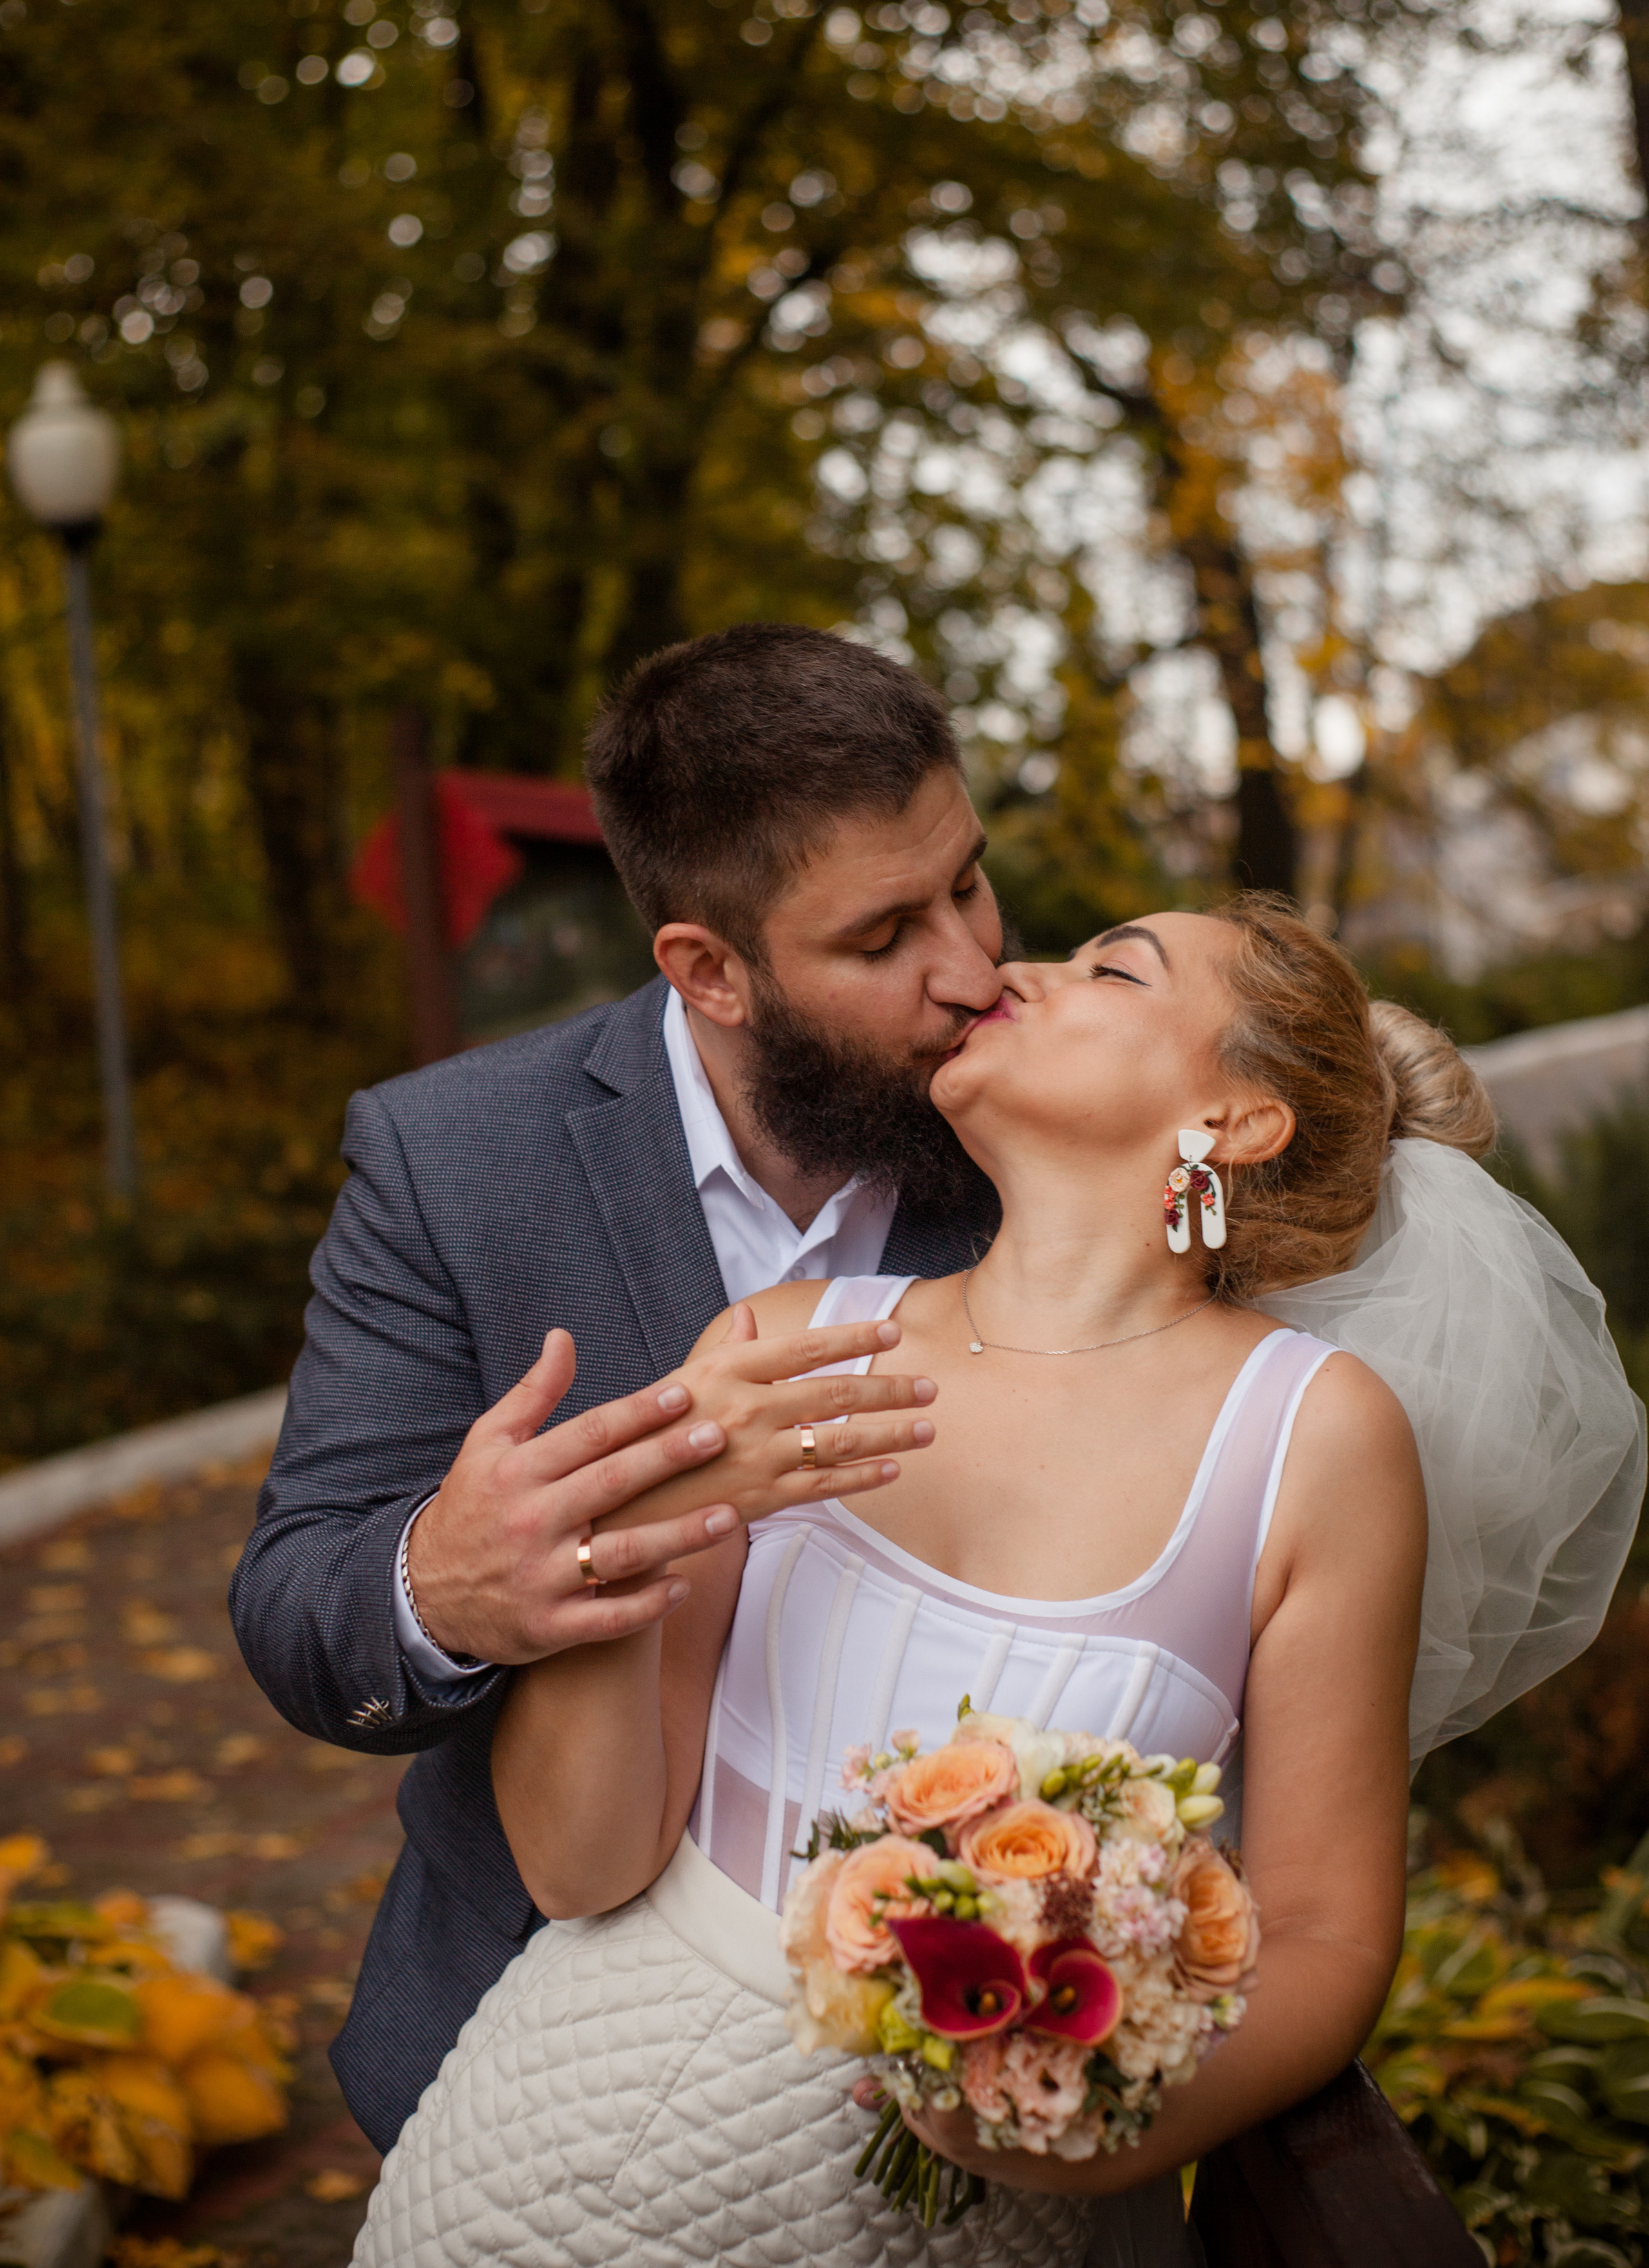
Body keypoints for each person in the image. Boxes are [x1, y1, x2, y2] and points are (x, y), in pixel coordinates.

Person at [352, 899, 1643, 2266]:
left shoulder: (1311, 1440)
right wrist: (647, 1519)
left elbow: (1324, 1932)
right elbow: (577, 1862)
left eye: (1109, 970)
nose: (1002, 974)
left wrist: (1103, 2120)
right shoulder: (778, 1351)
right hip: (542, 2154)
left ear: (1236, 1120)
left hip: (981, 2228)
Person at [230, 625, 1012, 2153]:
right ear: (706, 970)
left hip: (955, 2069)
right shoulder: (447, 1160)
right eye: (882, 938)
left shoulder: (1047, 1110)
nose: (971, 973)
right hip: (528, 2052)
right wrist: (441, 1589)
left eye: (969, 882)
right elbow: (298, 1597)